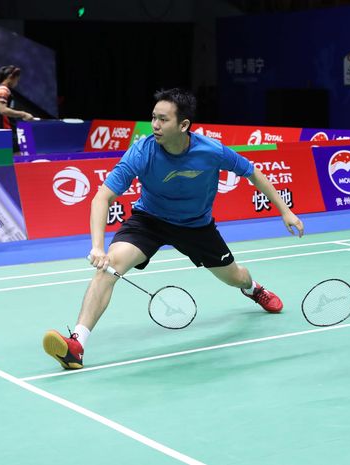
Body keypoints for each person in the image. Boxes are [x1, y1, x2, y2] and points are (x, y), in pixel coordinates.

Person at [43, 88, 304, 370]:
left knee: (235, 277)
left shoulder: (211, 151)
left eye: (163, 120)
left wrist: (286, 211)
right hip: (149, 221)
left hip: (196, 226)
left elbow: (252, 172)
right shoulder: (142, 152)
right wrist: (97, 246)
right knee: (108, 267)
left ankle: (253, 289)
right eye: (153, 118)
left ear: (183, 125)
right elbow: (102, 197)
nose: (155, 125)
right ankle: (77, 344)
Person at [0, 65, 34, 152]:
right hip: (6, 131)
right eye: (17, 79)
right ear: (10, 77)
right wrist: (23, 114)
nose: (17, 83)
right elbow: (2, 110)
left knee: (1, 162)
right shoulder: (3, 90)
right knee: (15, 160)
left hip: (1, 130)